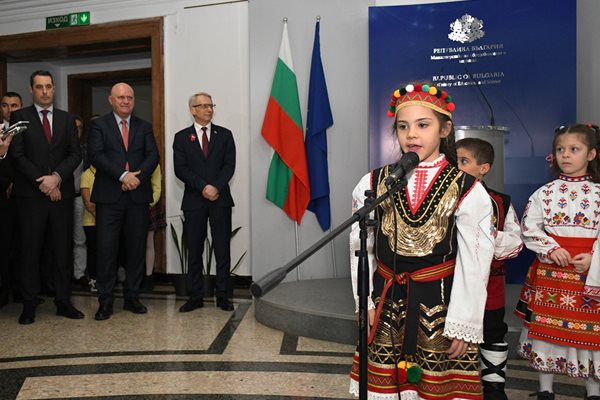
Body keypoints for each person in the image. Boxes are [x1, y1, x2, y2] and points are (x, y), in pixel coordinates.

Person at [349, 83, 495, 399]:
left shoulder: (467, 188)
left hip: (440, 308)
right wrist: (366, 302)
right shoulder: (374, 182)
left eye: (422, 125)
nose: (411, 134)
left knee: (436, 389)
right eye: (403, 127)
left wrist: (464, 323)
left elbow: (476, 260)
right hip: (387, 302)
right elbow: (361, 248)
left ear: (445, 129)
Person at [514, 124, 600, 400]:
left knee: (591, 336)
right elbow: (528, 227)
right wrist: (550, 248)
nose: (566, 155)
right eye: (560, 149)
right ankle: (545, 390)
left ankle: (593, 391)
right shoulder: (545, 193)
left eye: (574, 149)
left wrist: (593, 258)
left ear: (591, 154)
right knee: (545, 333)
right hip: (552, 274)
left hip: (589, 275)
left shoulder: (598, 194)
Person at [9, 70, 83, 324]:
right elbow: (17, 155)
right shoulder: (19, 117)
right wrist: (43, 181)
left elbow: (75, 155)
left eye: (48, 86)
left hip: (60, 195)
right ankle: (29, 304)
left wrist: (57, 178)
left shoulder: (66, 119)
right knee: (30, 251)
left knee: (62, 250)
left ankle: (63, 301)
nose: (44, 91)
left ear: (54, 89)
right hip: (31, 196)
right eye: (39, 87)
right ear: (31, 90)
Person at [456, 137, 523, 400]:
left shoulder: (500, 202)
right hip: (451, 282)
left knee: (493, 331)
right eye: (454, 161)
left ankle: (494, 387)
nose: (457, 166)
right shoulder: (443, 199)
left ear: (484, 168)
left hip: (489, 284)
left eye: (464, 161)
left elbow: (515, 241)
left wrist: (487, 240)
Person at [87, 82, 159, 321]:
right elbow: (96, 155)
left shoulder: (144, 127)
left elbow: (153, 155)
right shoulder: (99, 125)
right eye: (121, 97)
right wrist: (123, 175)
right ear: (111, 100)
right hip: (109, 198)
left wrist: (137, 178)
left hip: (137, 197)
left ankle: (132, 297)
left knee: (136, 249)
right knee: (106, 250)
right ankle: (105, 301)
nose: (126, 101)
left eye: (129, 97)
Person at [173, 91, 236, 312]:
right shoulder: (181, 137)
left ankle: (223, 297)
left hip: (220, 200)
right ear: (193, 110)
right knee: (195, 250)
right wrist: (204, 187)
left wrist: (216, 187)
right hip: (194, 201)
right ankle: (195, 296)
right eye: (204, 106)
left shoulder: (225, 135)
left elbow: (229, 165)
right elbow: (180, 169)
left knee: (222, 249)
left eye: (211, 105)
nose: (209, 109)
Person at [143, 165, 166, 291]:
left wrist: (148, 204)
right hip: (130, 206)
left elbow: (157, 187)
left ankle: (149, 276)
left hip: (148, 205)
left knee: (149, 242)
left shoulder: (154, 163)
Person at [72, 115, 87, 285]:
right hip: (58, 198)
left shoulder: (86, 150)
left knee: (80, 239)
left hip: (79, 198)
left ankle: (79, 274)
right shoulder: (57, 148)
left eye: (79, 127)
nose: (76, 130)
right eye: (73, 126)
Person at [80, 165, 97, 293]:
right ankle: (93, 280)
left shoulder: (107, 172)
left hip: (106, 222)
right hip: (91, 222)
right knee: (93, 251)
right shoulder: (86, 175)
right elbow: (88, 203)